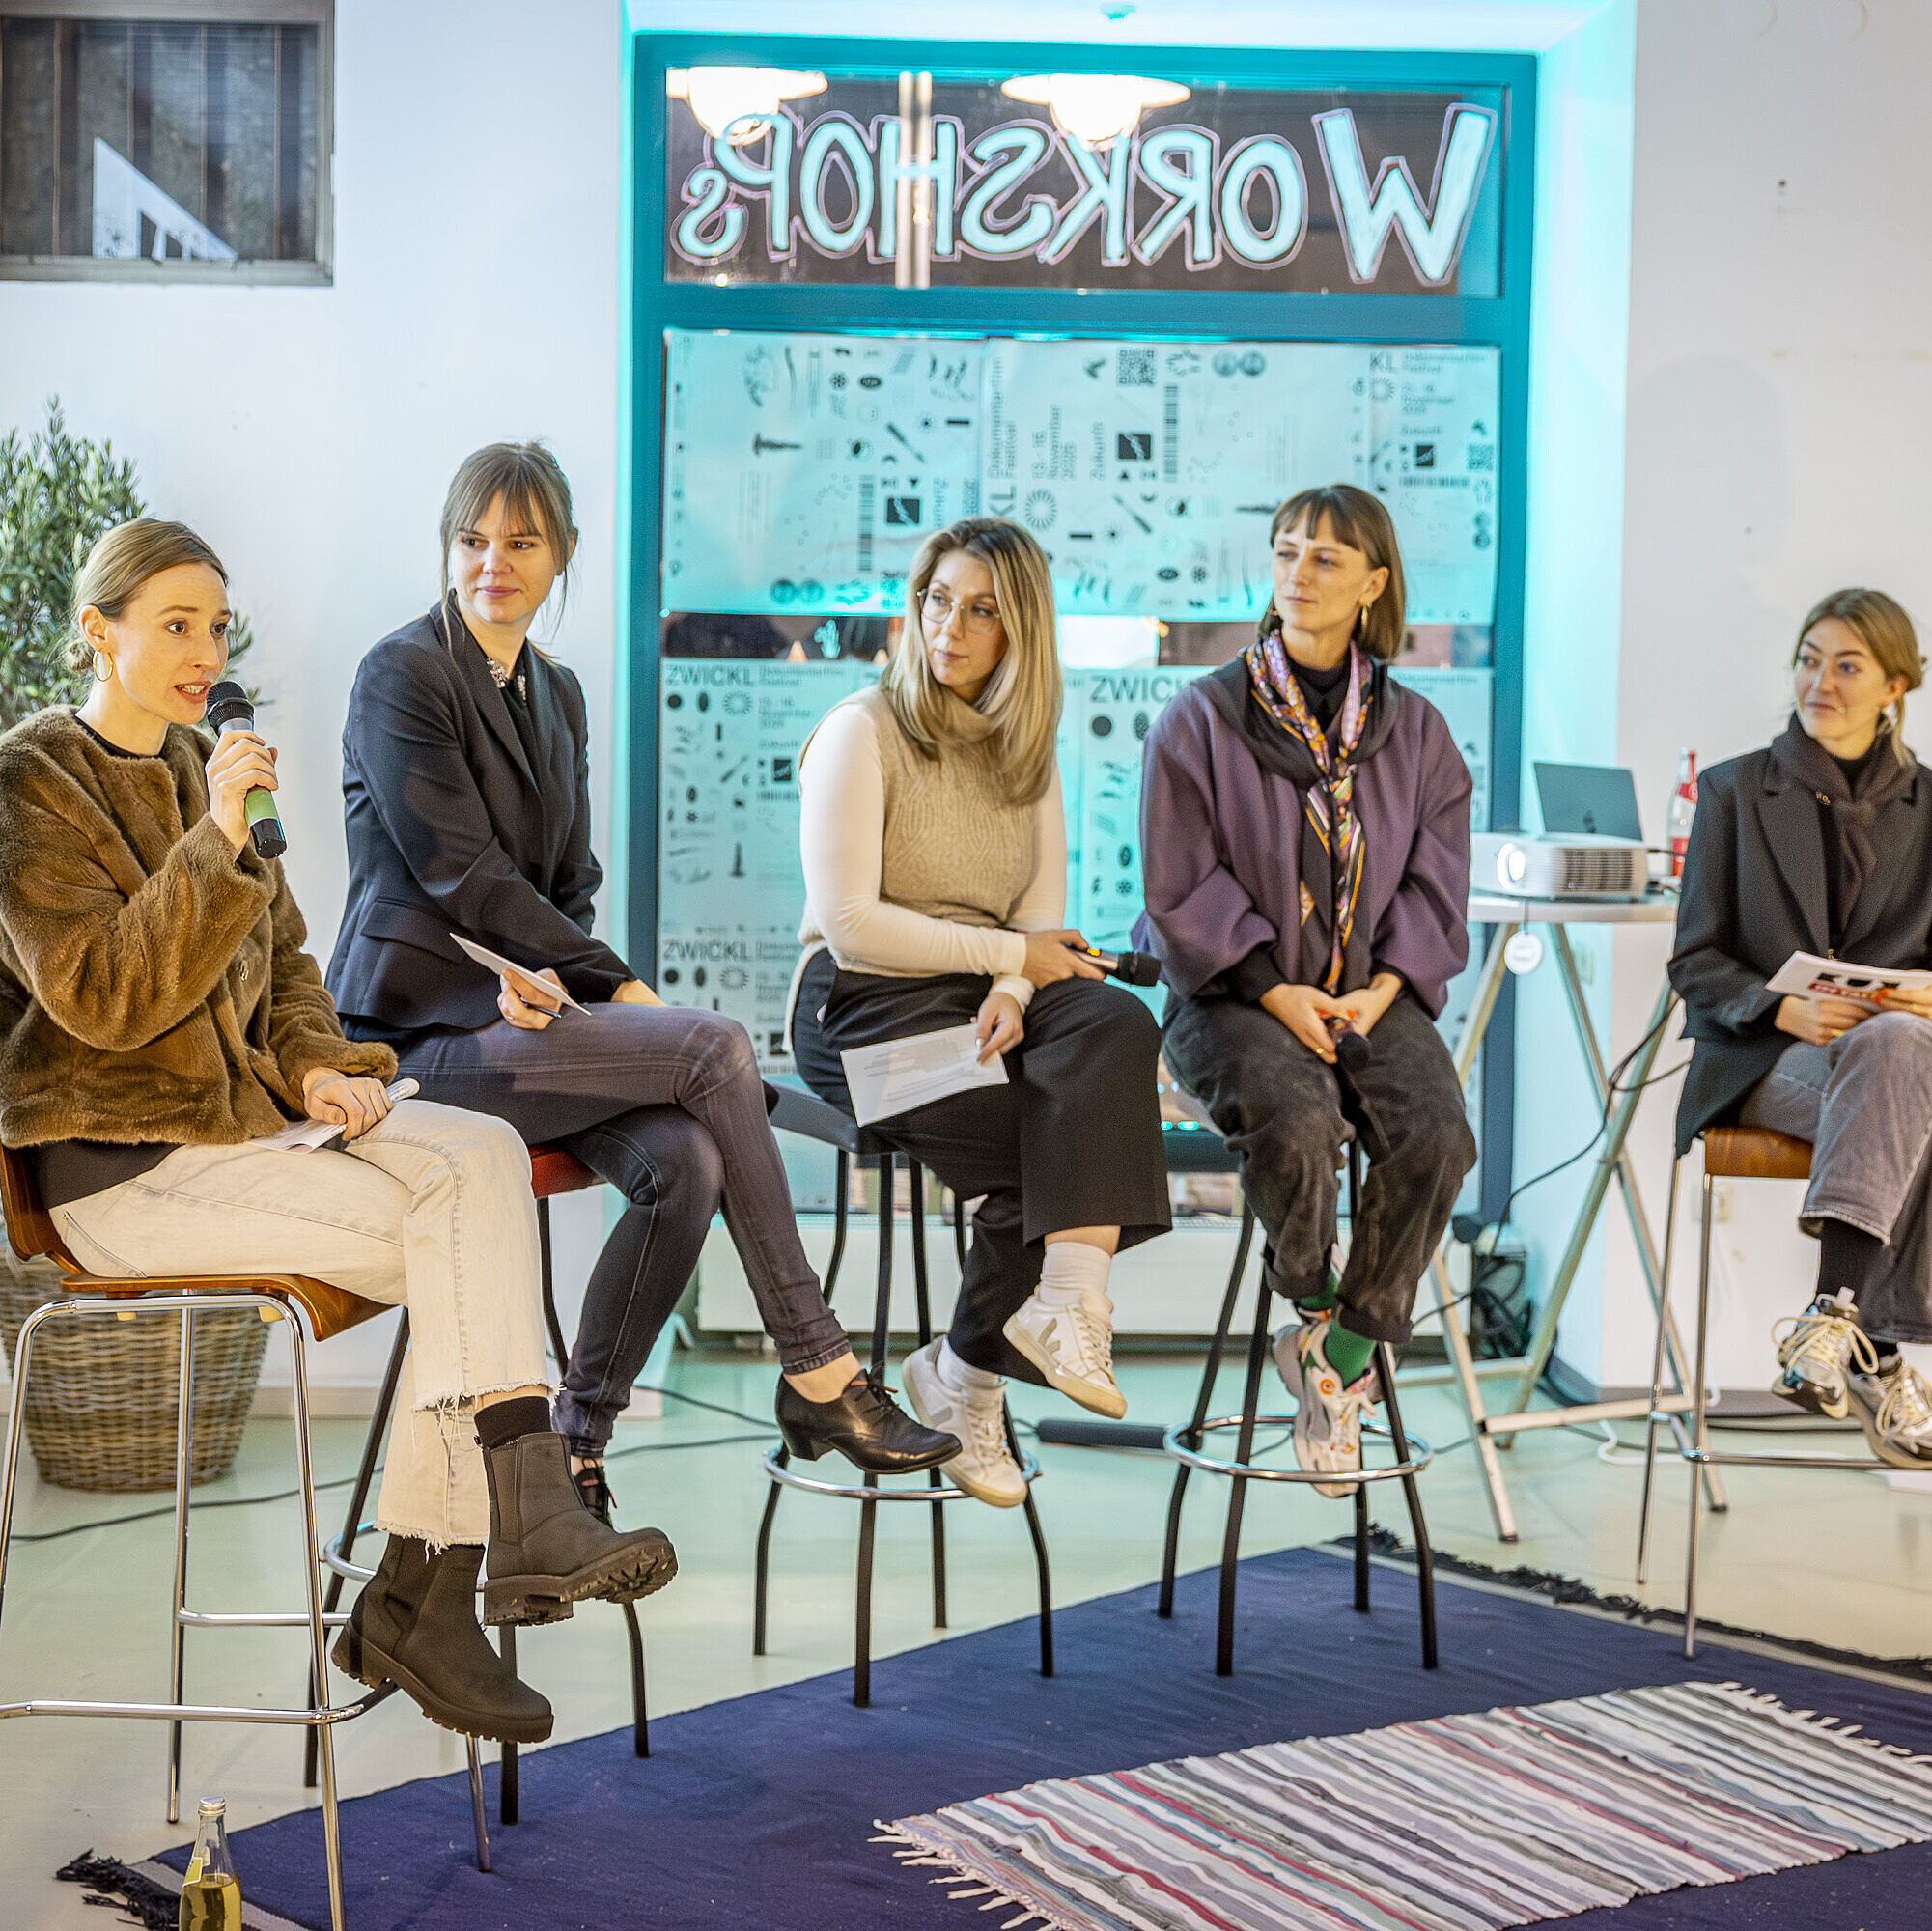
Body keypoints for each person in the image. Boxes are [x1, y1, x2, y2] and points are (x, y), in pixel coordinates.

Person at [0, 519, 673, 1746]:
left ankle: (449, 1570)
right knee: (461, 1240)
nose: (207, 653)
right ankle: (441, 1577)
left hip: (239, 1141)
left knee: (480, 1157)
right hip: (118, 1171)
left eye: (217, 626)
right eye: (176, 625)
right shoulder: (32, 781)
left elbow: (292, 966)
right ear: (98, 630)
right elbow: (101, 994)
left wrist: (315, 1062)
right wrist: (214, 841)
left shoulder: (205, 768)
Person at [325, 443, 952, 1521]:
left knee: (688, 1160)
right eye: (472, 540)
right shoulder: (402, 674)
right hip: (418, 1039)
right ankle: (820, 1369)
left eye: (521, 541)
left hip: (522, 1022)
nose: (492, 562)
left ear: (562, 552)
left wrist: (549, 980)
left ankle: (576, 1445)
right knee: (711, 1047)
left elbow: (568, 883)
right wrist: (606, 988)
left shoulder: (557, 694)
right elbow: (461, 875)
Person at [789, 517, 1171, 1507]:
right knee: (1059, 1153)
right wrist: (1010, 959)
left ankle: (1057, 1307)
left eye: (981, 610)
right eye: (937, 600)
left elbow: (1038, 915)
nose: (949, 627)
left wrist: (1012, 986)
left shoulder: (1022, 751)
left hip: (977, 995)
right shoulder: (859, 732)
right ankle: (972, 1373)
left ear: (1020, 631)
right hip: (858, 1007)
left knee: (1118, 1022)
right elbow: (852, 926)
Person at [1136, 484, 1477, 1494]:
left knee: (1437, 1133)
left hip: (1369, 991)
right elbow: (1177, 882)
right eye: (1287, 551)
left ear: (1373, 583)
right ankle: (1315, 1301)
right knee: (1294, 1121)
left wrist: (1383, 987)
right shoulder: (1200, 717)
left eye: (1326, 557)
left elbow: (1435, 880)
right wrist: (1270, 988)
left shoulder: (1418, 734)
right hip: (1227, 990)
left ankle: (1340, 1355)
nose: (1299, 572)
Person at [1670, 587, 1932, 1468]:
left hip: (1888, 1065)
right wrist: (1781, 1006)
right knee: (1909, 1087)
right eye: (1808, 659)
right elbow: (1694, 960)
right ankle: (1875, 1355)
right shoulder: (1734, 790)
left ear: (1894, 685)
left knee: (1897, 1051)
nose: (1819, 681)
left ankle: (1832, 1324)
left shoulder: (1931, 806)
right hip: (1765, 1060)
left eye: (1846, 665)